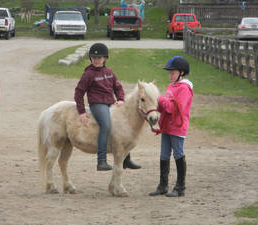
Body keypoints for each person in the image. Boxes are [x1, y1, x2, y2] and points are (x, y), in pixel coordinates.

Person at [74, 43, 141, 171]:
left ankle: (126, 159)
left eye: (99, 58)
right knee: (106, 125)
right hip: (98, 104)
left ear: (105, 58)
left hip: (111, 103)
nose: (96, 60)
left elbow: (118, 87)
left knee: (122, 125)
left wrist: (121, 99)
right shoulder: (88, 74)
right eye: (94, 58)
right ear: (90, 58)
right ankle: (101, 161)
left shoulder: (109, 72)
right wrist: (81, 111)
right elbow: (78, 93)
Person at [149, 56, 193, 197]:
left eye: (172, 73)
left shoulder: (185, 89)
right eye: (169, 73)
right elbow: (165, 107)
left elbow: (174, 109)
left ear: (181, 73)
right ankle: (163, 185)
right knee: (164, 155)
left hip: (177, 127)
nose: (170, 75)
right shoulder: (172, 86)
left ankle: (180, 187)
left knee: (178, 154)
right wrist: (154, 109)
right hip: (167, 126)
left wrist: (158, 97)